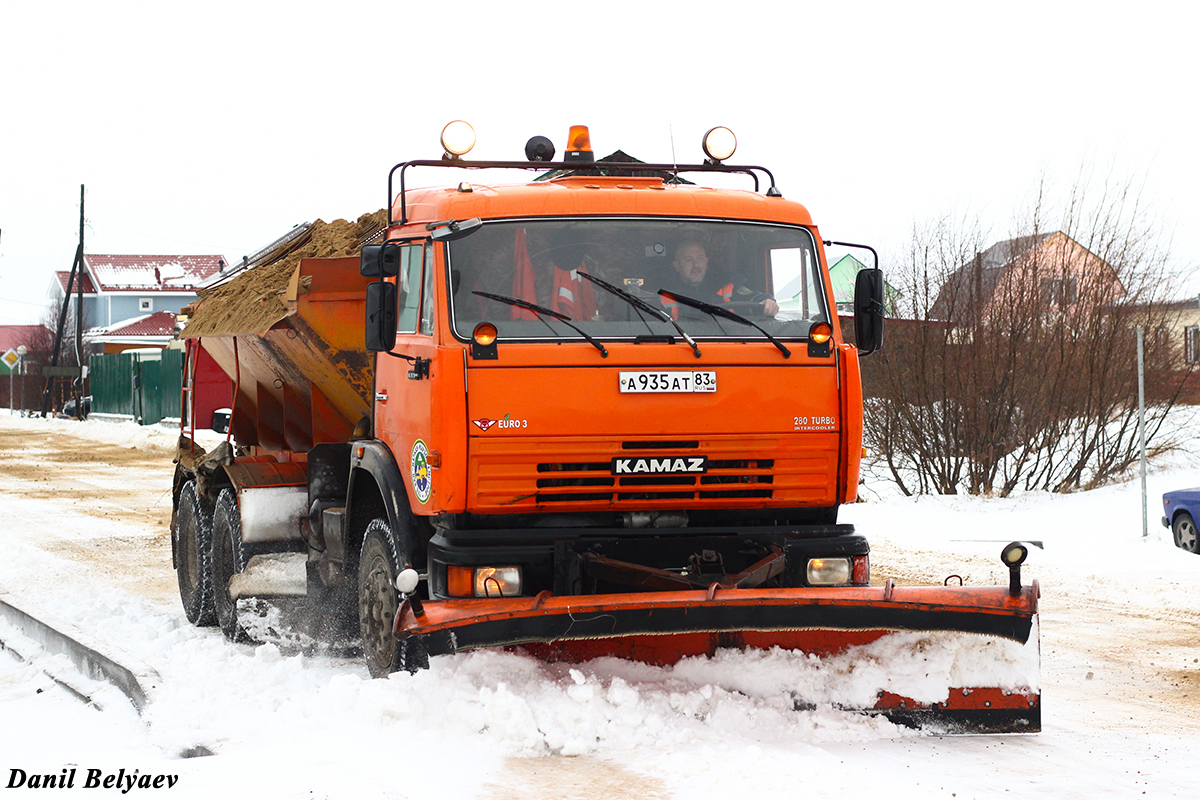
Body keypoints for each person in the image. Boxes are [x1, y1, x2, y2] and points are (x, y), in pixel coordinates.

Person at [662, 240, 779, 318]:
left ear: (706, 262)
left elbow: (751, 297)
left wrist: (766, 301)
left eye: (700, 258)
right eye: (688, 259)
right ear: (677, 266)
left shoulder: (725, 286)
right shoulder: (662, 293)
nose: (696, 265)